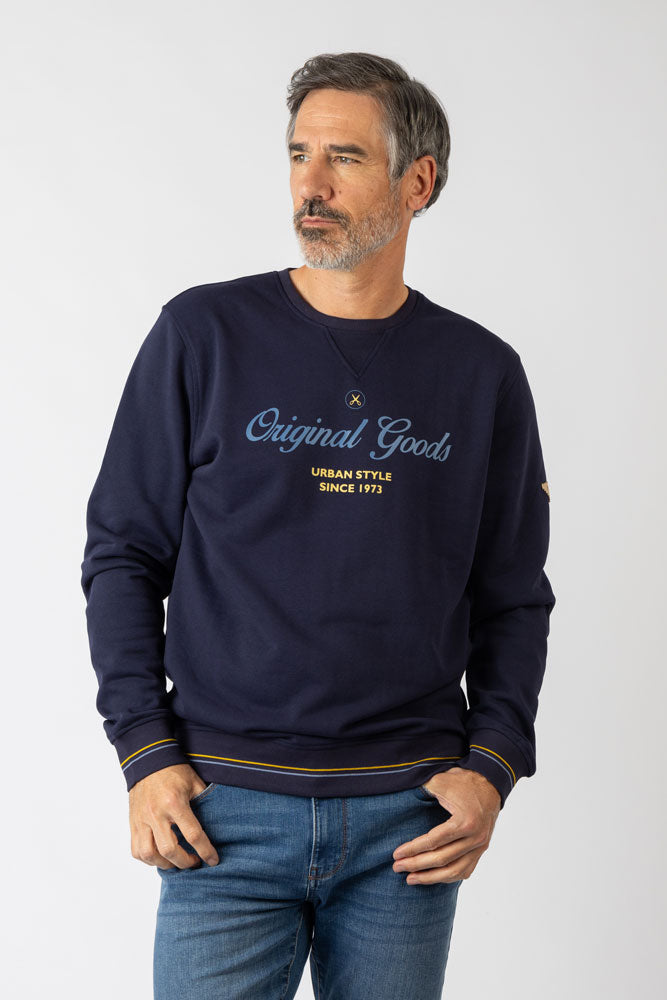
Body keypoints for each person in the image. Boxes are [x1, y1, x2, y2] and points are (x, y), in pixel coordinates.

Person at [80, 51, 556, 1000]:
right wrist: (144, 753)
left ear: (417, 182)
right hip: (221, 812)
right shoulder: (202, 335)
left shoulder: (480, 373)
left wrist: (491, 767)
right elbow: (123, 555)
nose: (311, 183)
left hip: (407, 822)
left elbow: (512, 596)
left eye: (345, 156)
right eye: (299, 154)